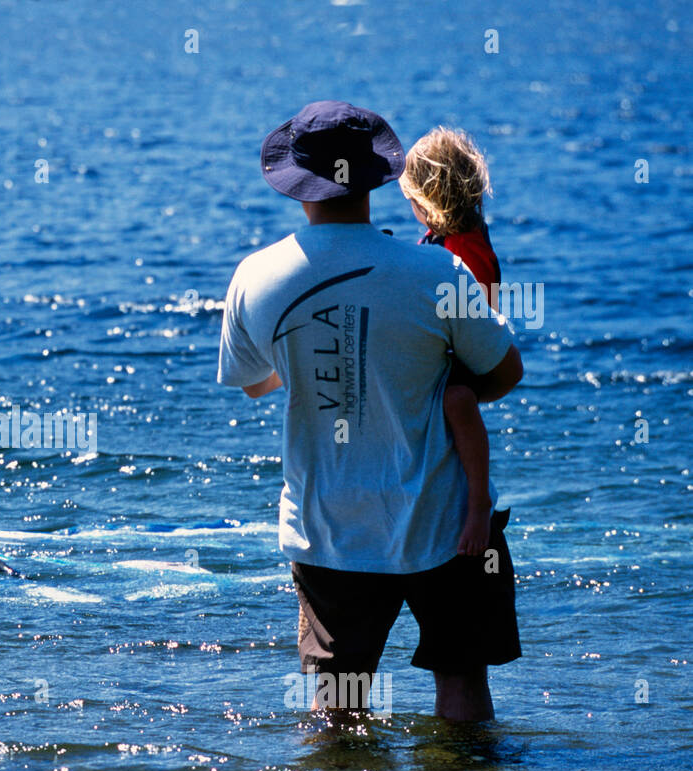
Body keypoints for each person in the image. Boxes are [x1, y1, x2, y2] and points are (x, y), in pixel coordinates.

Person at [216, 101, 523, 721]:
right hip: (444, 522)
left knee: (339, 703)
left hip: (330, 526)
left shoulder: (255, 275)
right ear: (378, 176)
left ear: (295, 180)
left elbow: (251, 384)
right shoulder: (437, 269)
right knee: (461, 681)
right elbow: (505, 371)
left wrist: (319, 362)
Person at [399, 127, 501, 556]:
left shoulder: (466, 249)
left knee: (458, 401)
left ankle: (479, 505)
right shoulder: (445, 239)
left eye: (412, 202)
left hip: (467, 352)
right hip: (444, 343)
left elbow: (474, 313)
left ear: (429, 201)